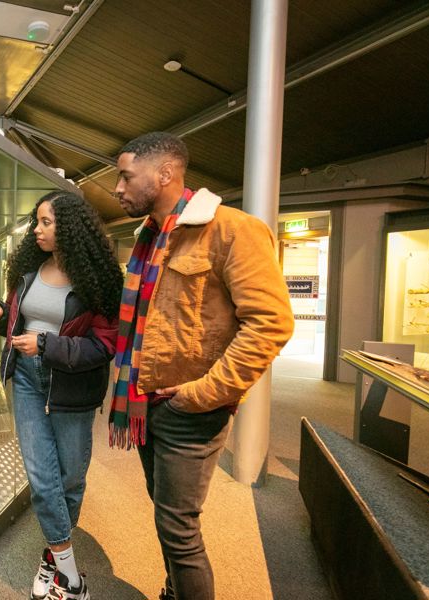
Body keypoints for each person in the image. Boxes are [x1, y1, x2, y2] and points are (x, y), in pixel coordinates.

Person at [110, 132, 294, 600]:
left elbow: (270, 324)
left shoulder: (232, 229)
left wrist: (202, 394)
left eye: (126, 176)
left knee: (179, 530)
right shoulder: (150, 237)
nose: (117, 187)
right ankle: (175, 590)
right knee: (166, 513)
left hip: (190, 407)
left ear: (165, 173)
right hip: (147, 399)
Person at [0, 190, 122, 600]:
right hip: (27, 379)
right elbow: (19, 324)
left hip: (74, 386)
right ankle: (71, 579)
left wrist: (47, 345)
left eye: (46, 222)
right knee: (43, 481)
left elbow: (103, 347)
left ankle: (51, 557)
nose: (36, 229)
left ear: (70, 228)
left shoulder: (98, 281)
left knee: (71, 479)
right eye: (36, 221)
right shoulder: (27, 270)